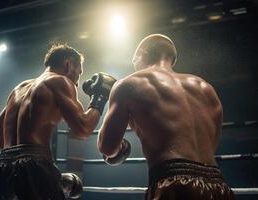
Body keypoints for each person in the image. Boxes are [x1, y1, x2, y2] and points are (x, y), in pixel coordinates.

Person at [97, 34, 235, 199]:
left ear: (142, 53)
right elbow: (211, 145)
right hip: (219, 185)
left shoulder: (128, 84)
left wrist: (101, 100)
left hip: (174, 185)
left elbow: (107, 148)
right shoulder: (205, 88)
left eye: (134, 60)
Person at [0, 43, 116, 200]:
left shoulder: (19, 89)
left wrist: (21, 162)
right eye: (79, 72)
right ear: (68, 64)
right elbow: (83, 129)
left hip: (1, 170)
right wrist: (99, 100)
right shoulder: (60, 81)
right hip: (35, 166)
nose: (78, 79)